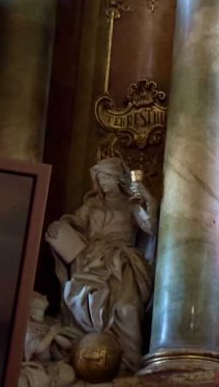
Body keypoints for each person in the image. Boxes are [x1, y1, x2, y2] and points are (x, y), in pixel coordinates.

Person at [45, 158, 157, 373]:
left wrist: (146, 198)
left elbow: (150, 227)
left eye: (106, 178)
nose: (103, 183)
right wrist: (59, 227)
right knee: (77, 297)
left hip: (121, 261)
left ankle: (130, 363)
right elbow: (74, 223)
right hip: (89, 260)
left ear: (118, 179)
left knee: (126, 308)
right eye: (100, 178)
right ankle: (88, 355)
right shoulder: (91, 205)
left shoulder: (131, 203)